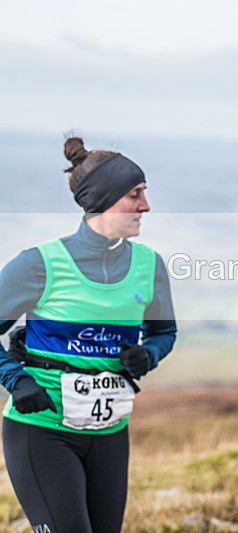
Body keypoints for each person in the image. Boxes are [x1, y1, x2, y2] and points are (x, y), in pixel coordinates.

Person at [0, 136, 177, 532]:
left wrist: (148, 355)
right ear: (103, 199)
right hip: (42, 430)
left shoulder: (150, 265)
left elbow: (165, 332)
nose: (145, 206)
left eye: (145, 194)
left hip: (111, 434)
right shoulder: (38, 264)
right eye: (135, 195)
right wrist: (16, 379)